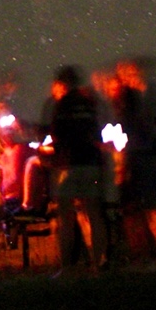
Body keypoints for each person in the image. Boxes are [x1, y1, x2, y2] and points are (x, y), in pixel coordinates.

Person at [116, 58, 156, 268]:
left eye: (126, 73)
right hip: (144, 155)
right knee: (150, 208)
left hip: (147, 157)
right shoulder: (140, 97)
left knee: (155, 208)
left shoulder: (149, 95)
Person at [49, 64, 108, 270]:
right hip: (91, 162)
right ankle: (98, 263)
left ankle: (66, 267)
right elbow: (96, 132)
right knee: (94, 212)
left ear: (62, 84)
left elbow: (57, 135)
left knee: (65, 216)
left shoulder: (62, 104)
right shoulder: (89, 104)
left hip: (70, 164)